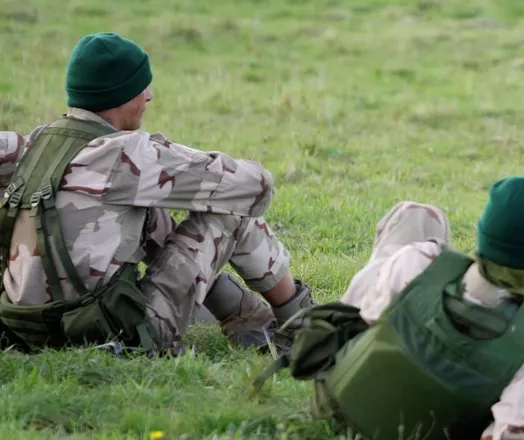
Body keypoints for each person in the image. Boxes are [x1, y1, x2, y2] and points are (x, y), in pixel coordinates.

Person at [0, 32, 313, 354]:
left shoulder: (32, 146)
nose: (148, 96)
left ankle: (245, 316)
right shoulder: (129, 154)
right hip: (109, 334)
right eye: (141, 87)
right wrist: (180, 156)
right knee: (229, 213)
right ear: (119, 95)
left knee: (147, 211)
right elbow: (255, 186)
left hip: (24, 331)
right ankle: (301, 324)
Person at [289, 179, 524, 440]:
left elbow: (361, 320)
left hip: (337, 410)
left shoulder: (421, 261)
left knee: (414, 216)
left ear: (485, 234)